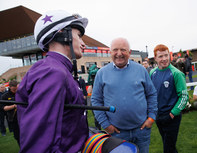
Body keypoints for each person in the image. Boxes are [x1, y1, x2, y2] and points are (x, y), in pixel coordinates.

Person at [16, 10, 89, 152]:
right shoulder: (53, 72)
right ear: (63, 33)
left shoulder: (58, 70)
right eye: (79, 36)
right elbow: (39, 144)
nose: (83, 43)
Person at [91, 37, 158, 153]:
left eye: (123, 50)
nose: (119, 54)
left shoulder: (141, 70)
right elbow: (96, 101)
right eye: (115, 50)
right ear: (110, 52)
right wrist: (105, 125)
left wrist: (151, 117)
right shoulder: (101, 73)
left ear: (129, 52)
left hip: (142, 130)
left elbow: (151, 94)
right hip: (117, 133)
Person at [150, 44, 188, 153]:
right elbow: (151, 94)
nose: (164, 59)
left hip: (171, 116)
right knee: (168, 144)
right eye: (161, 56)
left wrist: (173, 113)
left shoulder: (176, 73)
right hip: (158, 115)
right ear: (156, 58)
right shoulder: (153, 73)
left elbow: (184, 96)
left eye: (166, 55)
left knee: (168, 148)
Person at [1, 80, 20, 145]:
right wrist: (14, 106)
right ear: (10, 87)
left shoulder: (21, 92)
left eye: (16, 89)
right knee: (18, 137)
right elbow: (4, 108)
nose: (15, 91)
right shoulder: (5, 96)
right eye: (14, 90)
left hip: (24, 117)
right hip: (14, 119)